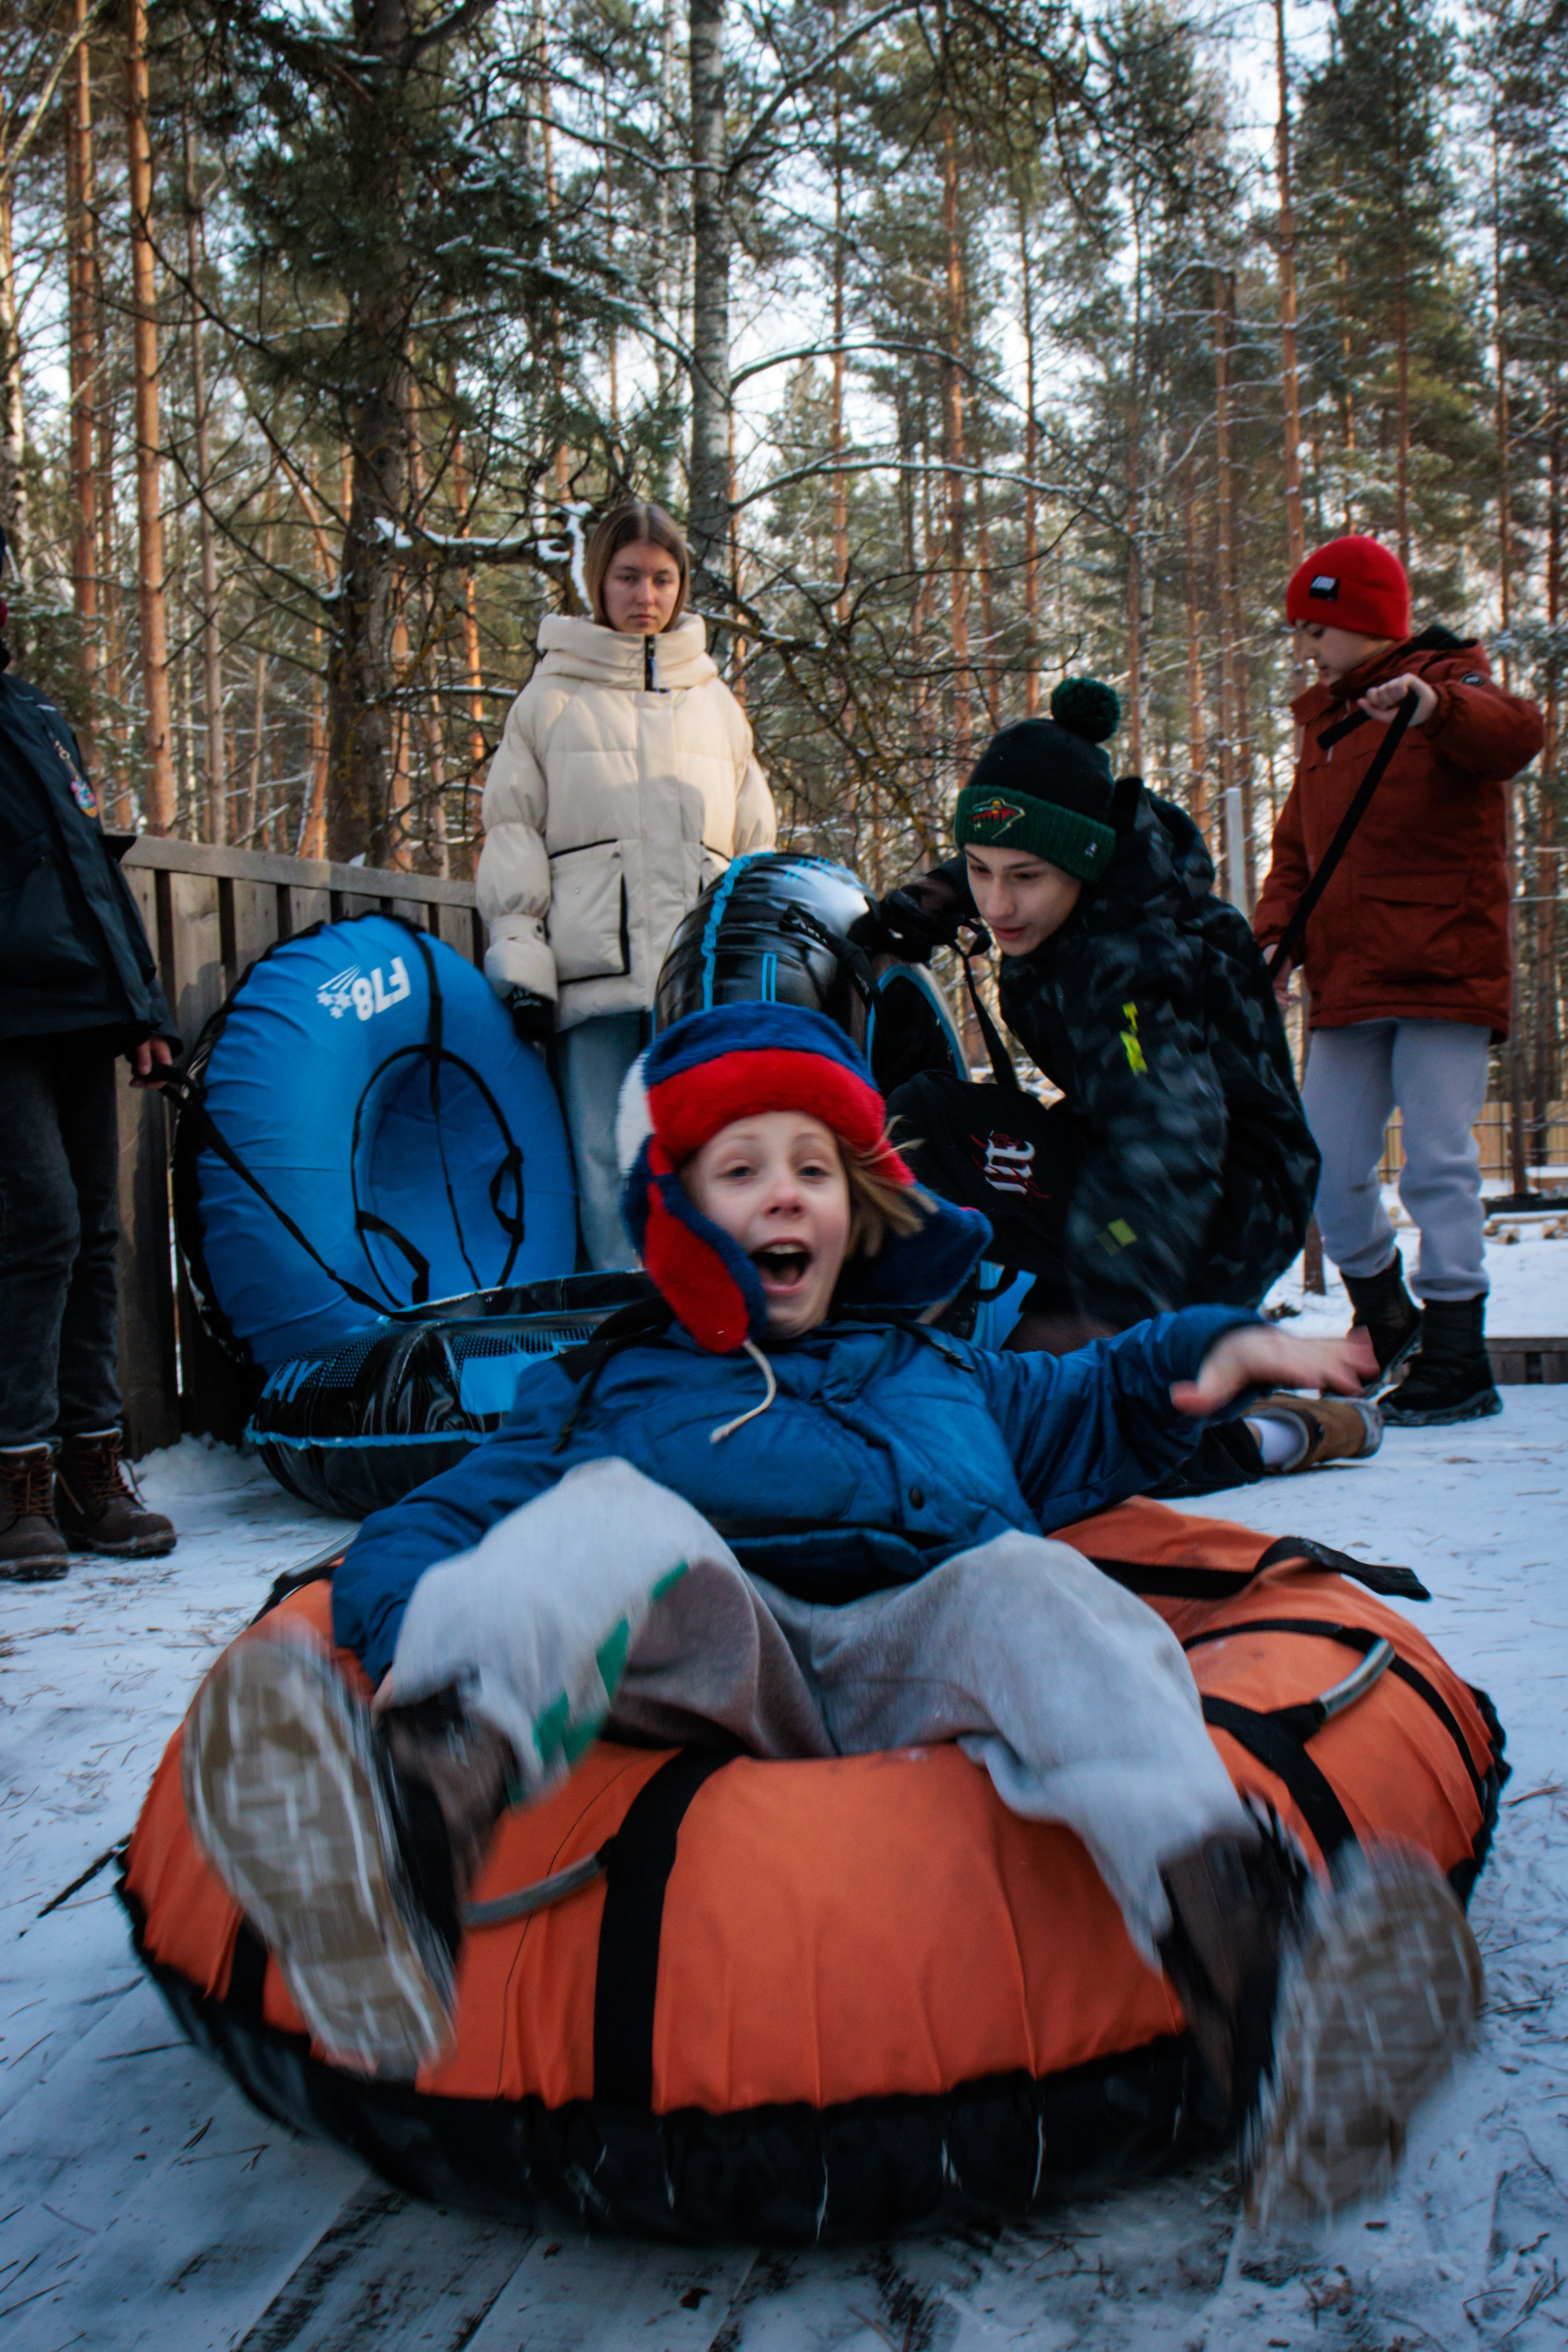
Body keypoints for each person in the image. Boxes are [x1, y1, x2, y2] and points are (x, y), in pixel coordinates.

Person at [182, 1001, 1479, 2223]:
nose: (782, 1191)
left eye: (811, 1163)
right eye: (737, 1169)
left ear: (857, 1203)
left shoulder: (944, 1362)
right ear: (674, 1210)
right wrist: (409, 1639)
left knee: (1038, 1587)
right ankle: (411, 1827)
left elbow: (1096, 1402)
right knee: (609, 1522)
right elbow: (432, 1525)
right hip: (717, 1658)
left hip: (919, 1651)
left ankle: (1265, 1989)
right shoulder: (602, 1388)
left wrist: (1220, 1345)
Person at [857, 680, 1348, 1480]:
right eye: (983, 871)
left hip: (1219, 1203)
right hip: (1141, 1158)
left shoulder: (1128, 967)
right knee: (1042, 1383)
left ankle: (1282, 1430)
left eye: (1025, 879)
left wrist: (1111, 1323)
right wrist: (944, 893)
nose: (1000, 903)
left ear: (1079, 866)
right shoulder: (1101, 870)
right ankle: (931, 1374)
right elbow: (1026, 847)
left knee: (1099, 1426)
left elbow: (1169, 1138)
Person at [1255, 535, 1545, 1427]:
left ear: (1363, 621)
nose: (1306, 646)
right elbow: (1297, 854)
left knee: (1439, 1163)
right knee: (1329, 1163)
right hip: (1350, 980)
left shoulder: (1457, 687)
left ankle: (1459, 1351)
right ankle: (1386, 1318)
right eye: (1300, 629)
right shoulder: (1323, 725)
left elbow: (1520, 736)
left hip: (1442, 973)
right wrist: (1273, 947)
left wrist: (1432, 708)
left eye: (1317, 627)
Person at [477, 499, 777, 1268]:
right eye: (628, 577)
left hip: (699, 979)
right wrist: (519, 953)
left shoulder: (715, 704)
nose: (645, 596)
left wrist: (755, 956)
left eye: (662, 579)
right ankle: (625, 1318)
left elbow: (754, 843)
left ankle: (718, 1315)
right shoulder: (550, 700)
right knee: (605, 1154)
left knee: (709, 1148)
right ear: (597, 581)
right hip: (595, 972)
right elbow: (513, 832)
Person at [0, 529, 177, 1574]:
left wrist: (144, 1009)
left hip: (77, 1009)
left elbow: (94, 877)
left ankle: (88, 1465)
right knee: (41, 1226)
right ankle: (15, 1472)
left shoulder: (38, 720)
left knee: (98, 1233)